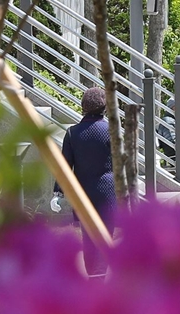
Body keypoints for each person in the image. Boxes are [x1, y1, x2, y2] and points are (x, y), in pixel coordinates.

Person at [50, 87, 116, 276]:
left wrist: (58, 193)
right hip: (107, 192)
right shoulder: (111, 131)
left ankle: (93, 275)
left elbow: (65, 167)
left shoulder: (72, 133)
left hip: (83, 193)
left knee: (88, 239)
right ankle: (100, 279)